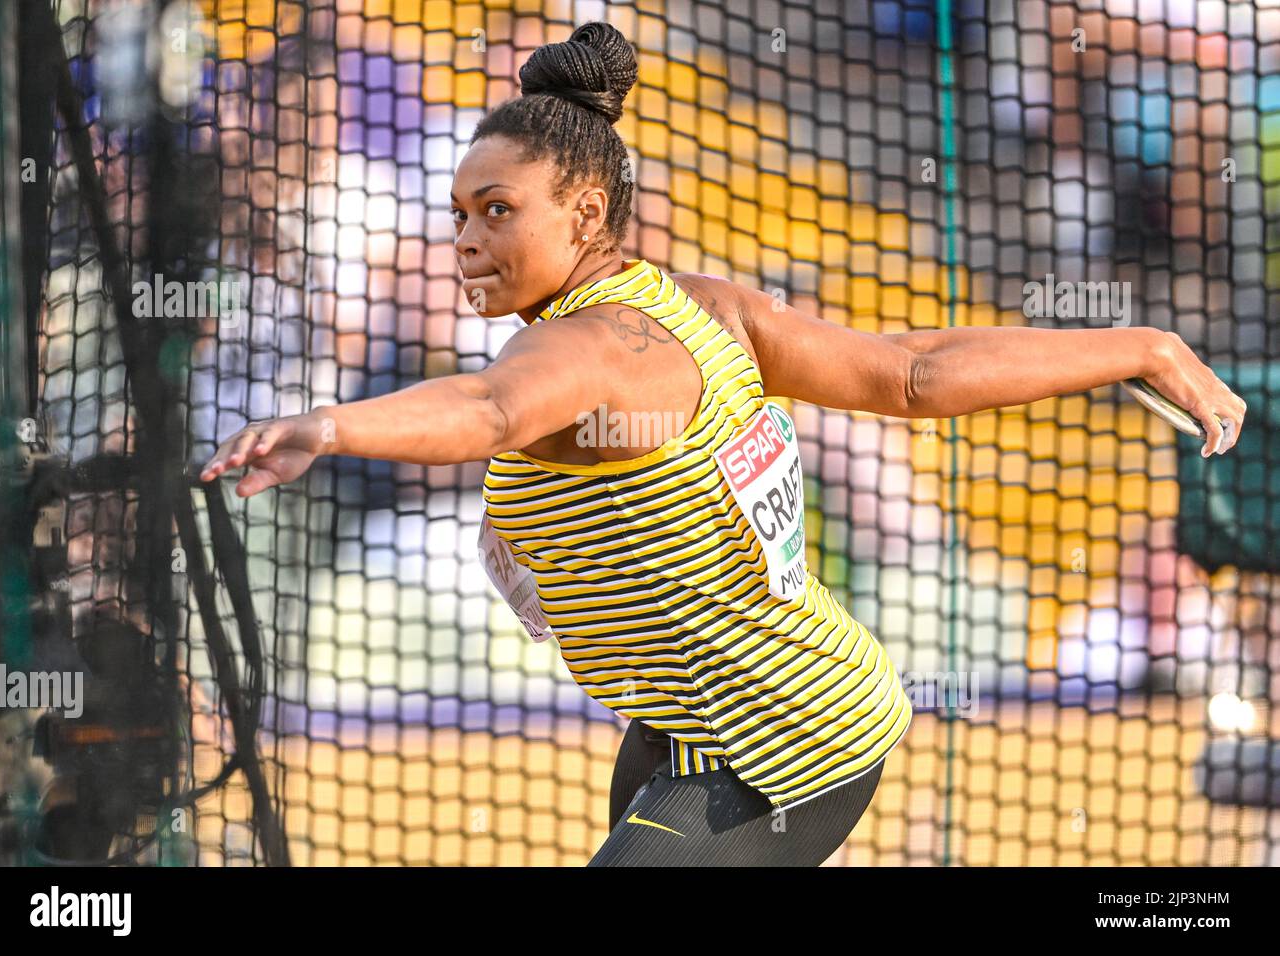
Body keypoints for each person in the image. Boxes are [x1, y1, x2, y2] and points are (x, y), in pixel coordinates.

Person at [199, 21, 1247, 866]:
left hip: (777, 743)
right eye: (460, 211)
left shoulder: (583, 349)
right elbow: (908, 372)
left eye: (498, 210)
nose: (467, 238)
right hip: (690, 718)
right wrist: (1140, 346)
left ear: (587, 212)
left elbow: (486, 413)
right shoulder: (696, 304)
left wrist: (328, 426)